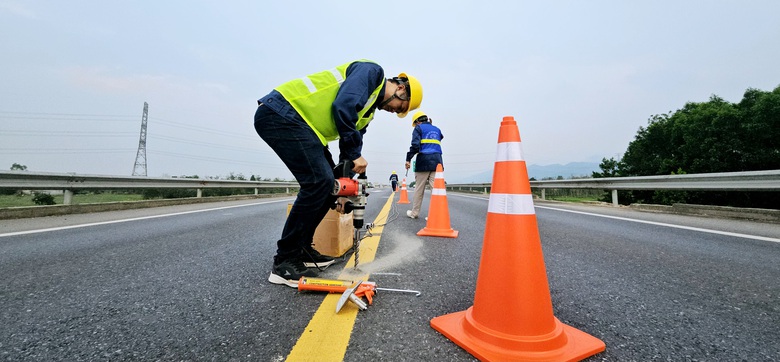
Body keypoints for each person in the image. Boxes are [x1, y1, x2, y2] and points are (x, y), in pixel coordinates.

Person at [254, 60, 423, 285]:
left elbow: (351, 145)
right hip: (282, 112)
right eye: (399, 107)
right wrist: (354, 155)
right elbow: (343, 105)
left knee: (330, 185)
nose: (394, 111)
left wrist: (344, 186)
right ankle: (285, 261)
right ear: (401, 88)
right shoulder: (372, 72)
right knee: (318, 182)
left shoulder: (367, 111)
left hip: (303, 127)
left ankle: (301, 250)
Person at [404, 111, 443, 219]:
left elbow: (415, 145)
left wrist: (408, 159)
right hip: (438, 161)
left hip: (424, 161)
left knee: (419, 189)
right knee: (436, 190)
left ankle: (414, 213)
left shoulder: (418, 128)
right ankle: (436, 216)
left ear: (417, 121)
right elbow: (439, 138)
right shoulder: (437, 129)